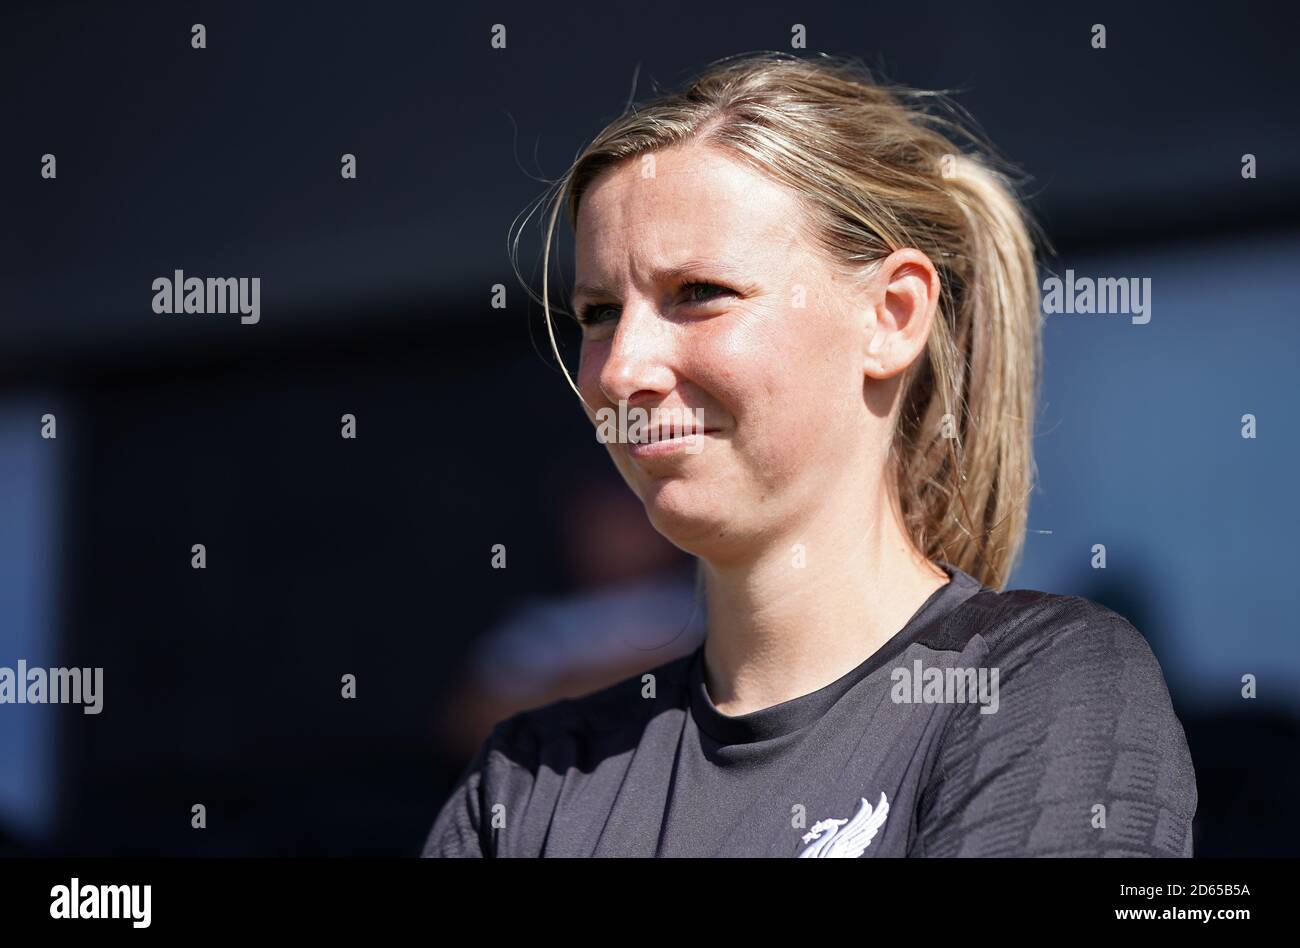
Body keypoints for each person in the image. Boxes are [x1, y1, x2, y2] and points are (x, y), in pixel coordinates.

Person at [423, 51, 1196, 857]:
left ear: (893, 316)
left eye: (698, 294)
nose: (620, 369)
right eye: (600, 312)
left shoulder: (1041, 685)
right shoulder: (526, 782)